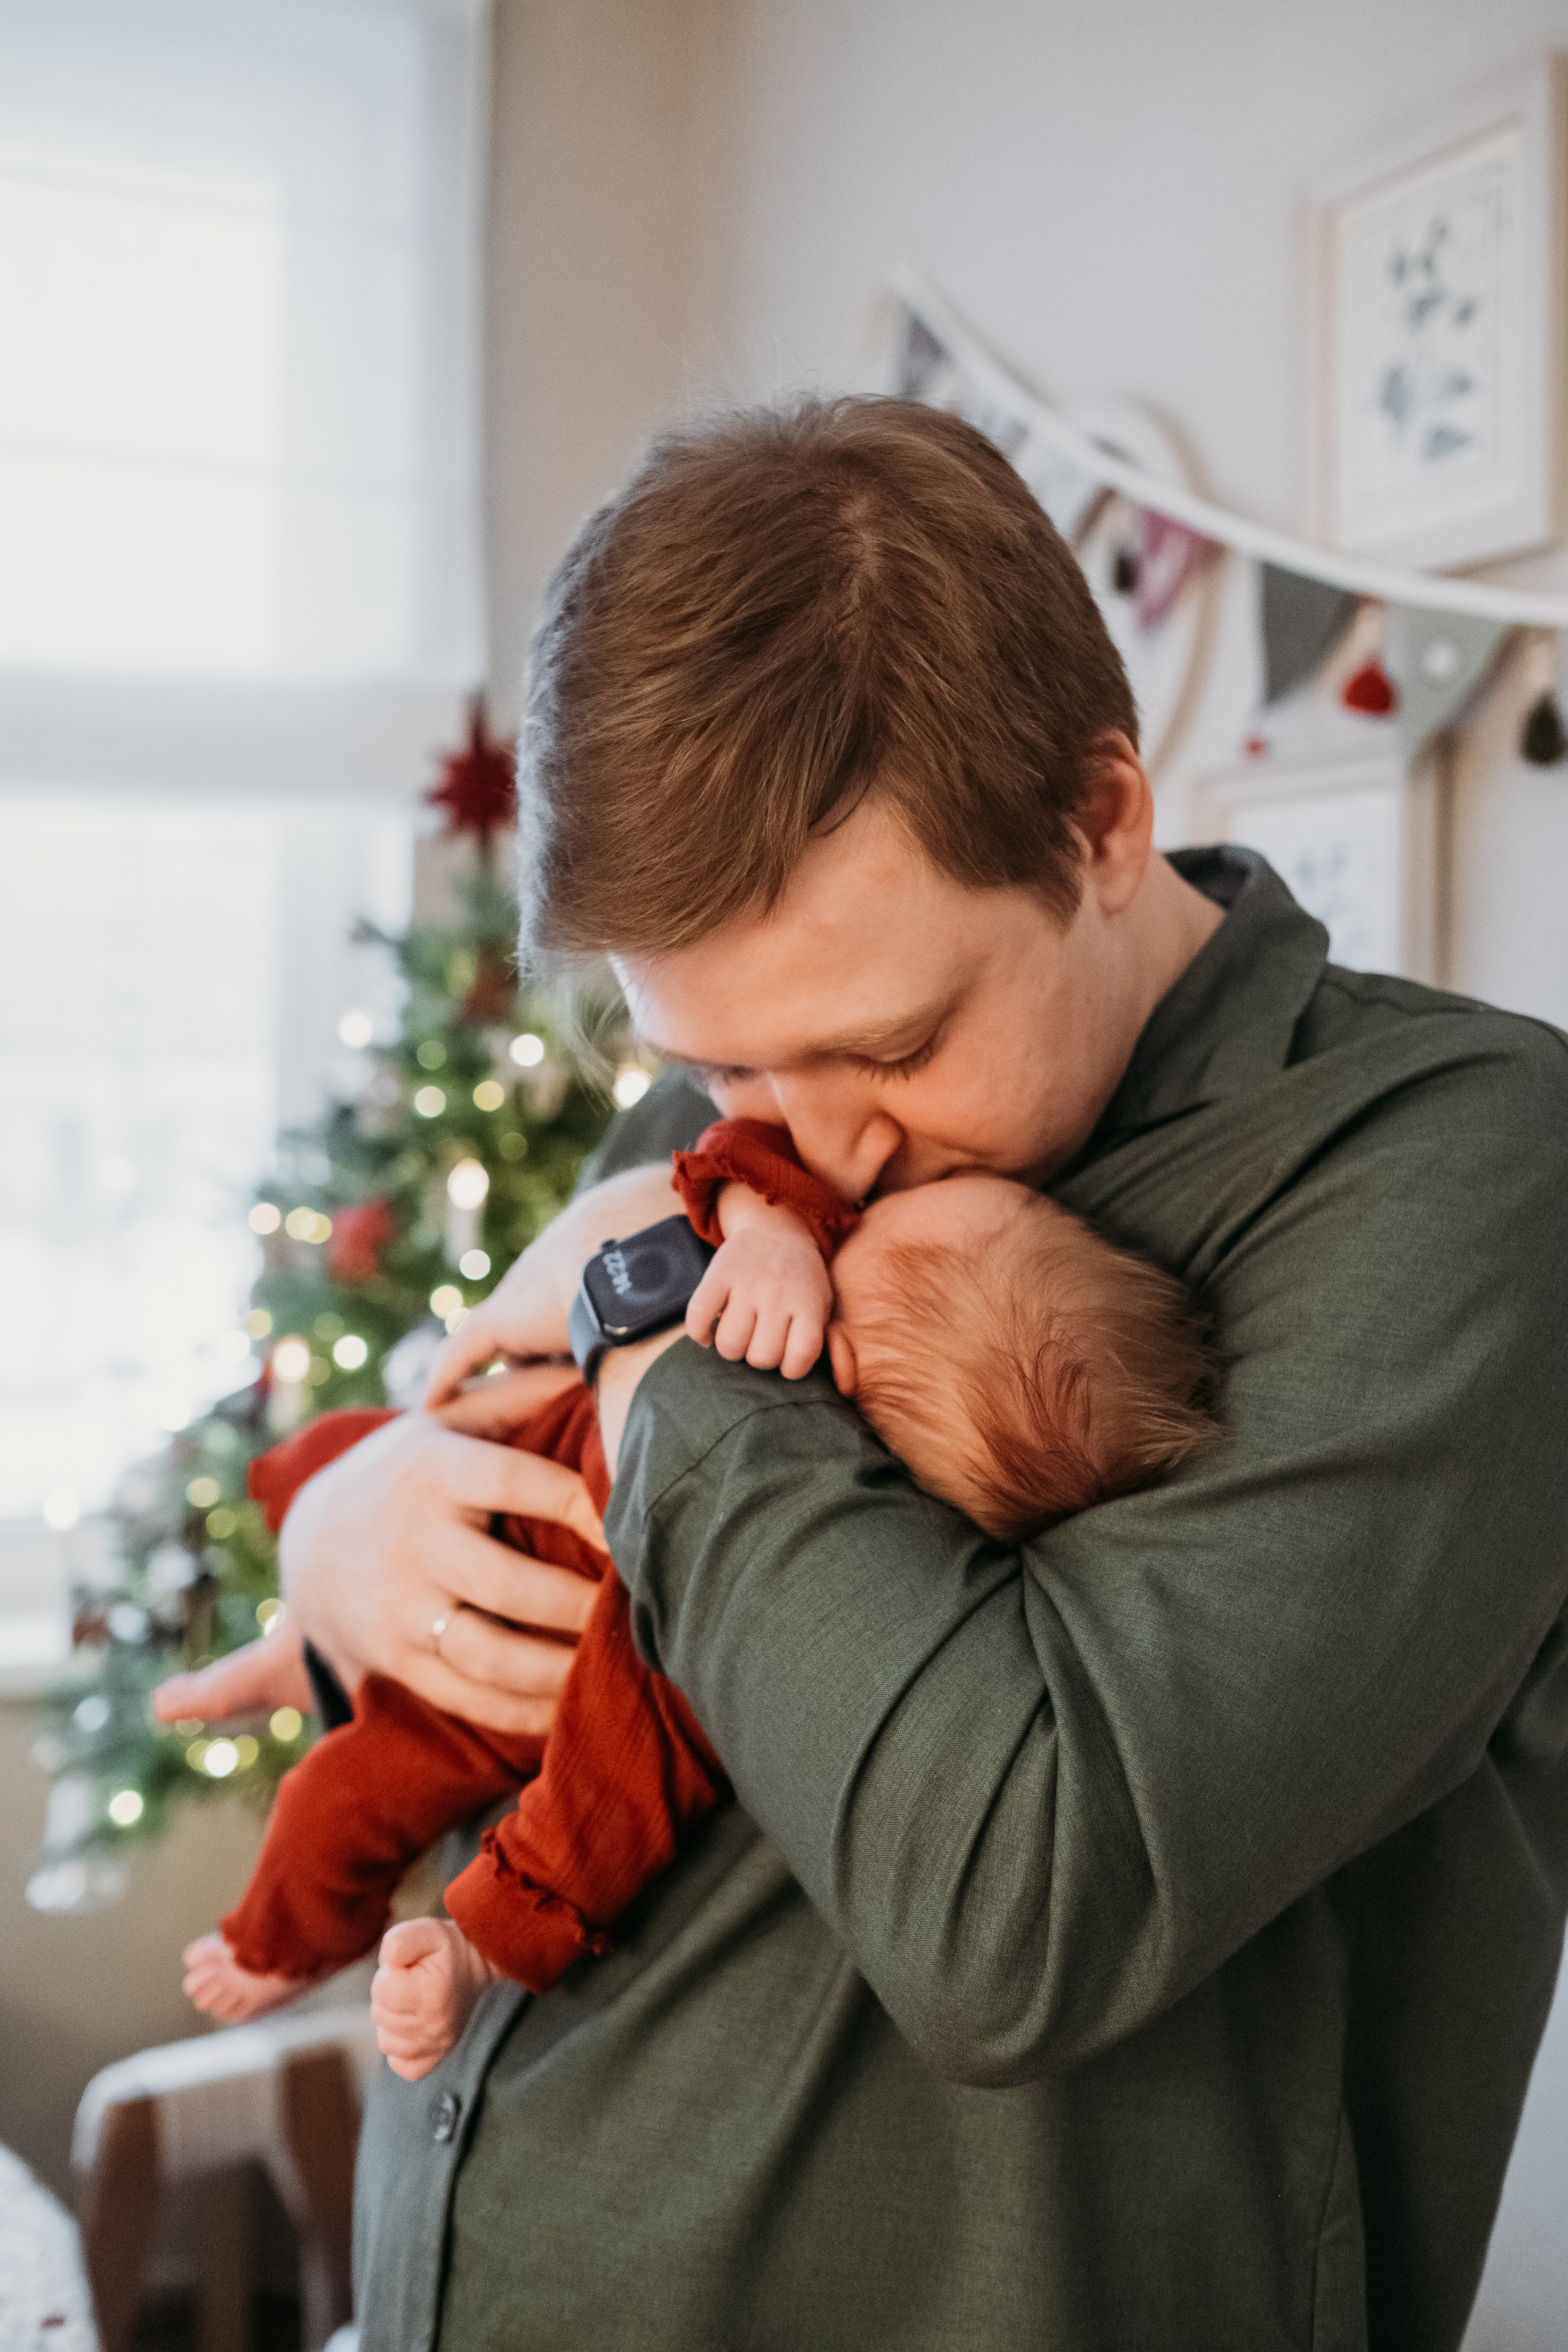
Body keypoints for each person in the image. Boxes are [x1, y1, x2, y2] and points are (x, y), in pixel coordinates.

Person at [156, 399, 1568, 2352]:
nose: (804, 1146)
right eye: (726, 1069)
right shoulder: (715, 1116)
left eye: (891, 1046)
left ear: (1100, 820)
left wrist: (648, 1313)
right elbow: (568, 1524)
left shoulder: (1453, 1168)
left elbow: (1023, 1905)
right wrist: (354, 1524)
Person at [179, 1118, 1212, 2084]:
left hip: (486, 1674)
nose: (856, 1204)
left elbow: (606, 1797)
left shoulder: (694, 1592)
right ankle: (289, 1657)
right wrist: (766, 1226)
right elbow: (752, 1160)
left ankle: (279, 1944)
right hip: (474, 1463)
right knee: (332, 1455)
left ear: (837, 1366)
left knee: (340, 1798)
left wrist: (478, 1948)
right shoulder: (799, 1280)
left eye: (870, 1232)